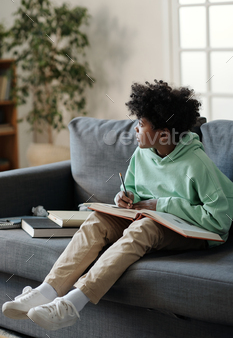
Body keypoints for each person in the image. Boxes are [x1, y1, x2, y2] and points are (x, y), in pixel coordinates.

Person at [2, 79, 233, 331]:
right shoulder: (143, 153)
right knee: (97, 221)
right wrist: (125, 199)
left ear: (164, 134)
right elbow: (133, 190)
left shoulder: (197, 164)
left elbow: (219, 220)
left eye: (141, 124)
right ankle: (47, 291)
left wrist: (161, 205)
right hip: (153, 218)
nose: (135, 129)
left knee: (144, 229)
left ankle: (71, 304)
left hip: (196, 231)